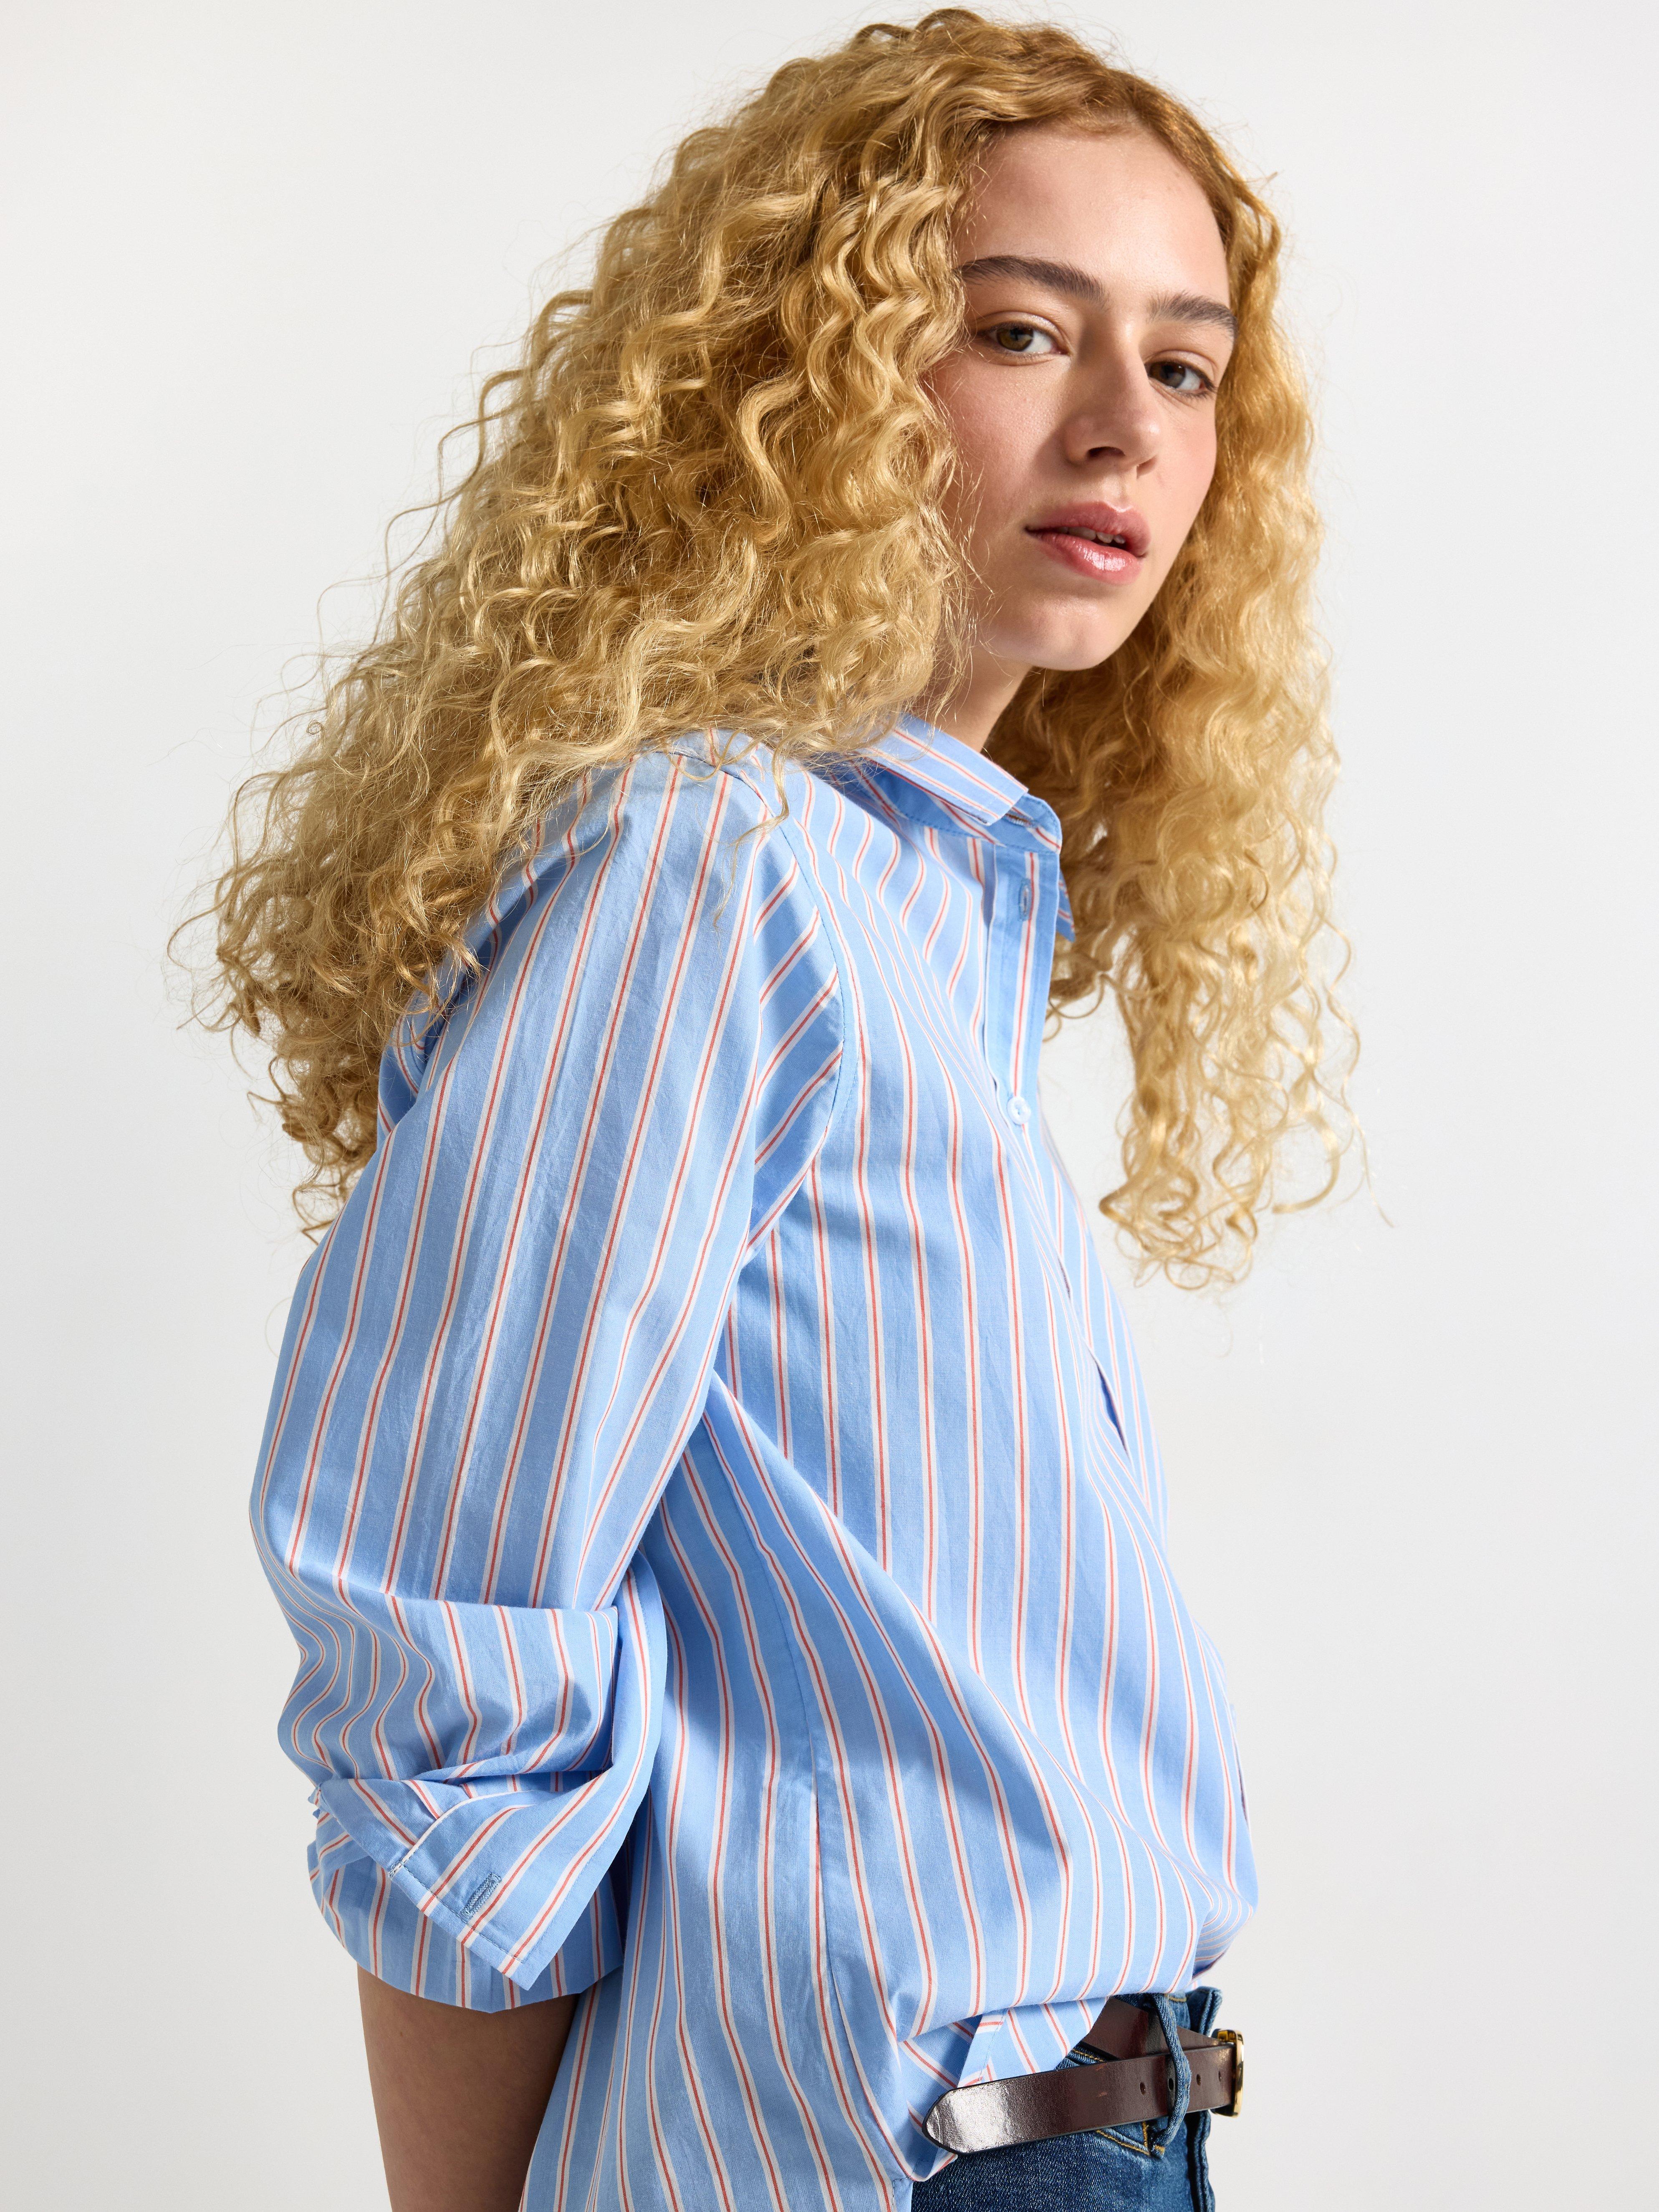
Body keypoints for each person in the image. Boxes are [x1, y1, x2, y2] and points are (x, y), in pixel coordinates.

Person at [208, 12, 1351, 2208]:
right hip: (904, 2154)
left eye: (1186, 366)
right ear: (804, 380)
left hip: (1083, 2131)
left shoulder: (919, 900)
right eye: (1021, 330)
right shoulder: (707, 865)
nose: (1122, 425)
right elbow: (452, 1644)